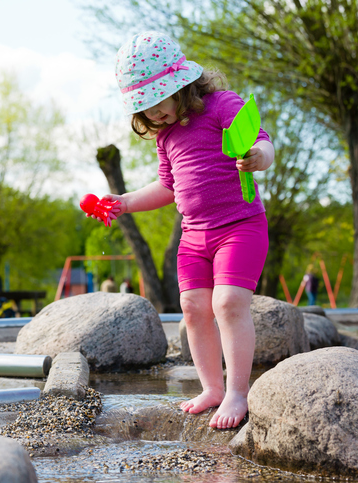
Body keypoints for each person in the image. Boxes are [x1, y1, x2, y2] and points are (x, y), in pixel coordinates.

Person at [89, 32, 275, 429]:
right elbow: (167, 186)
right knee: (192, 310)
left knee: (226, 304)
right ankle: (211, 387)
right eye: (146, 109)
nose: (155, 115)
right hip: (194, 237)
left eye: (160, 103)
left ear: (182, 85)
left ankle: (238, 392)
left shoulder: (224, 105)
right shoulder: (168, 135)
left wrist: (258, 157)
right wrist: (123, 201)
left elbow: (262, 141)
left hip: (239, 227)